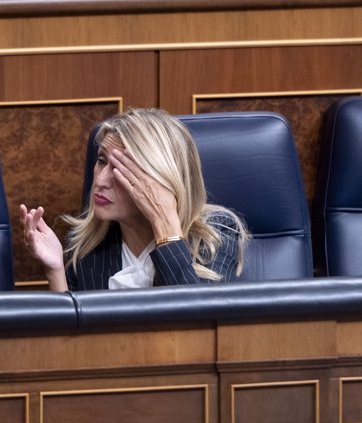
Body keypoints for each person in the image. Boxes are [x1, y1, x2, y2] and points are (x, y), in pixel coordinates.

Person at [20, 107, 250, 291]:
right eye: (101, 161)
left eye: (122, 169)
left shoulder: (215, 233)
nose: (100, 181)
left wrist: (163, 220)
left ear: (162, 178)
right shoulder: (85, 245)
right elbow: (74, 345)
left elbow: (196, 328)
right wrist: (56, 272)